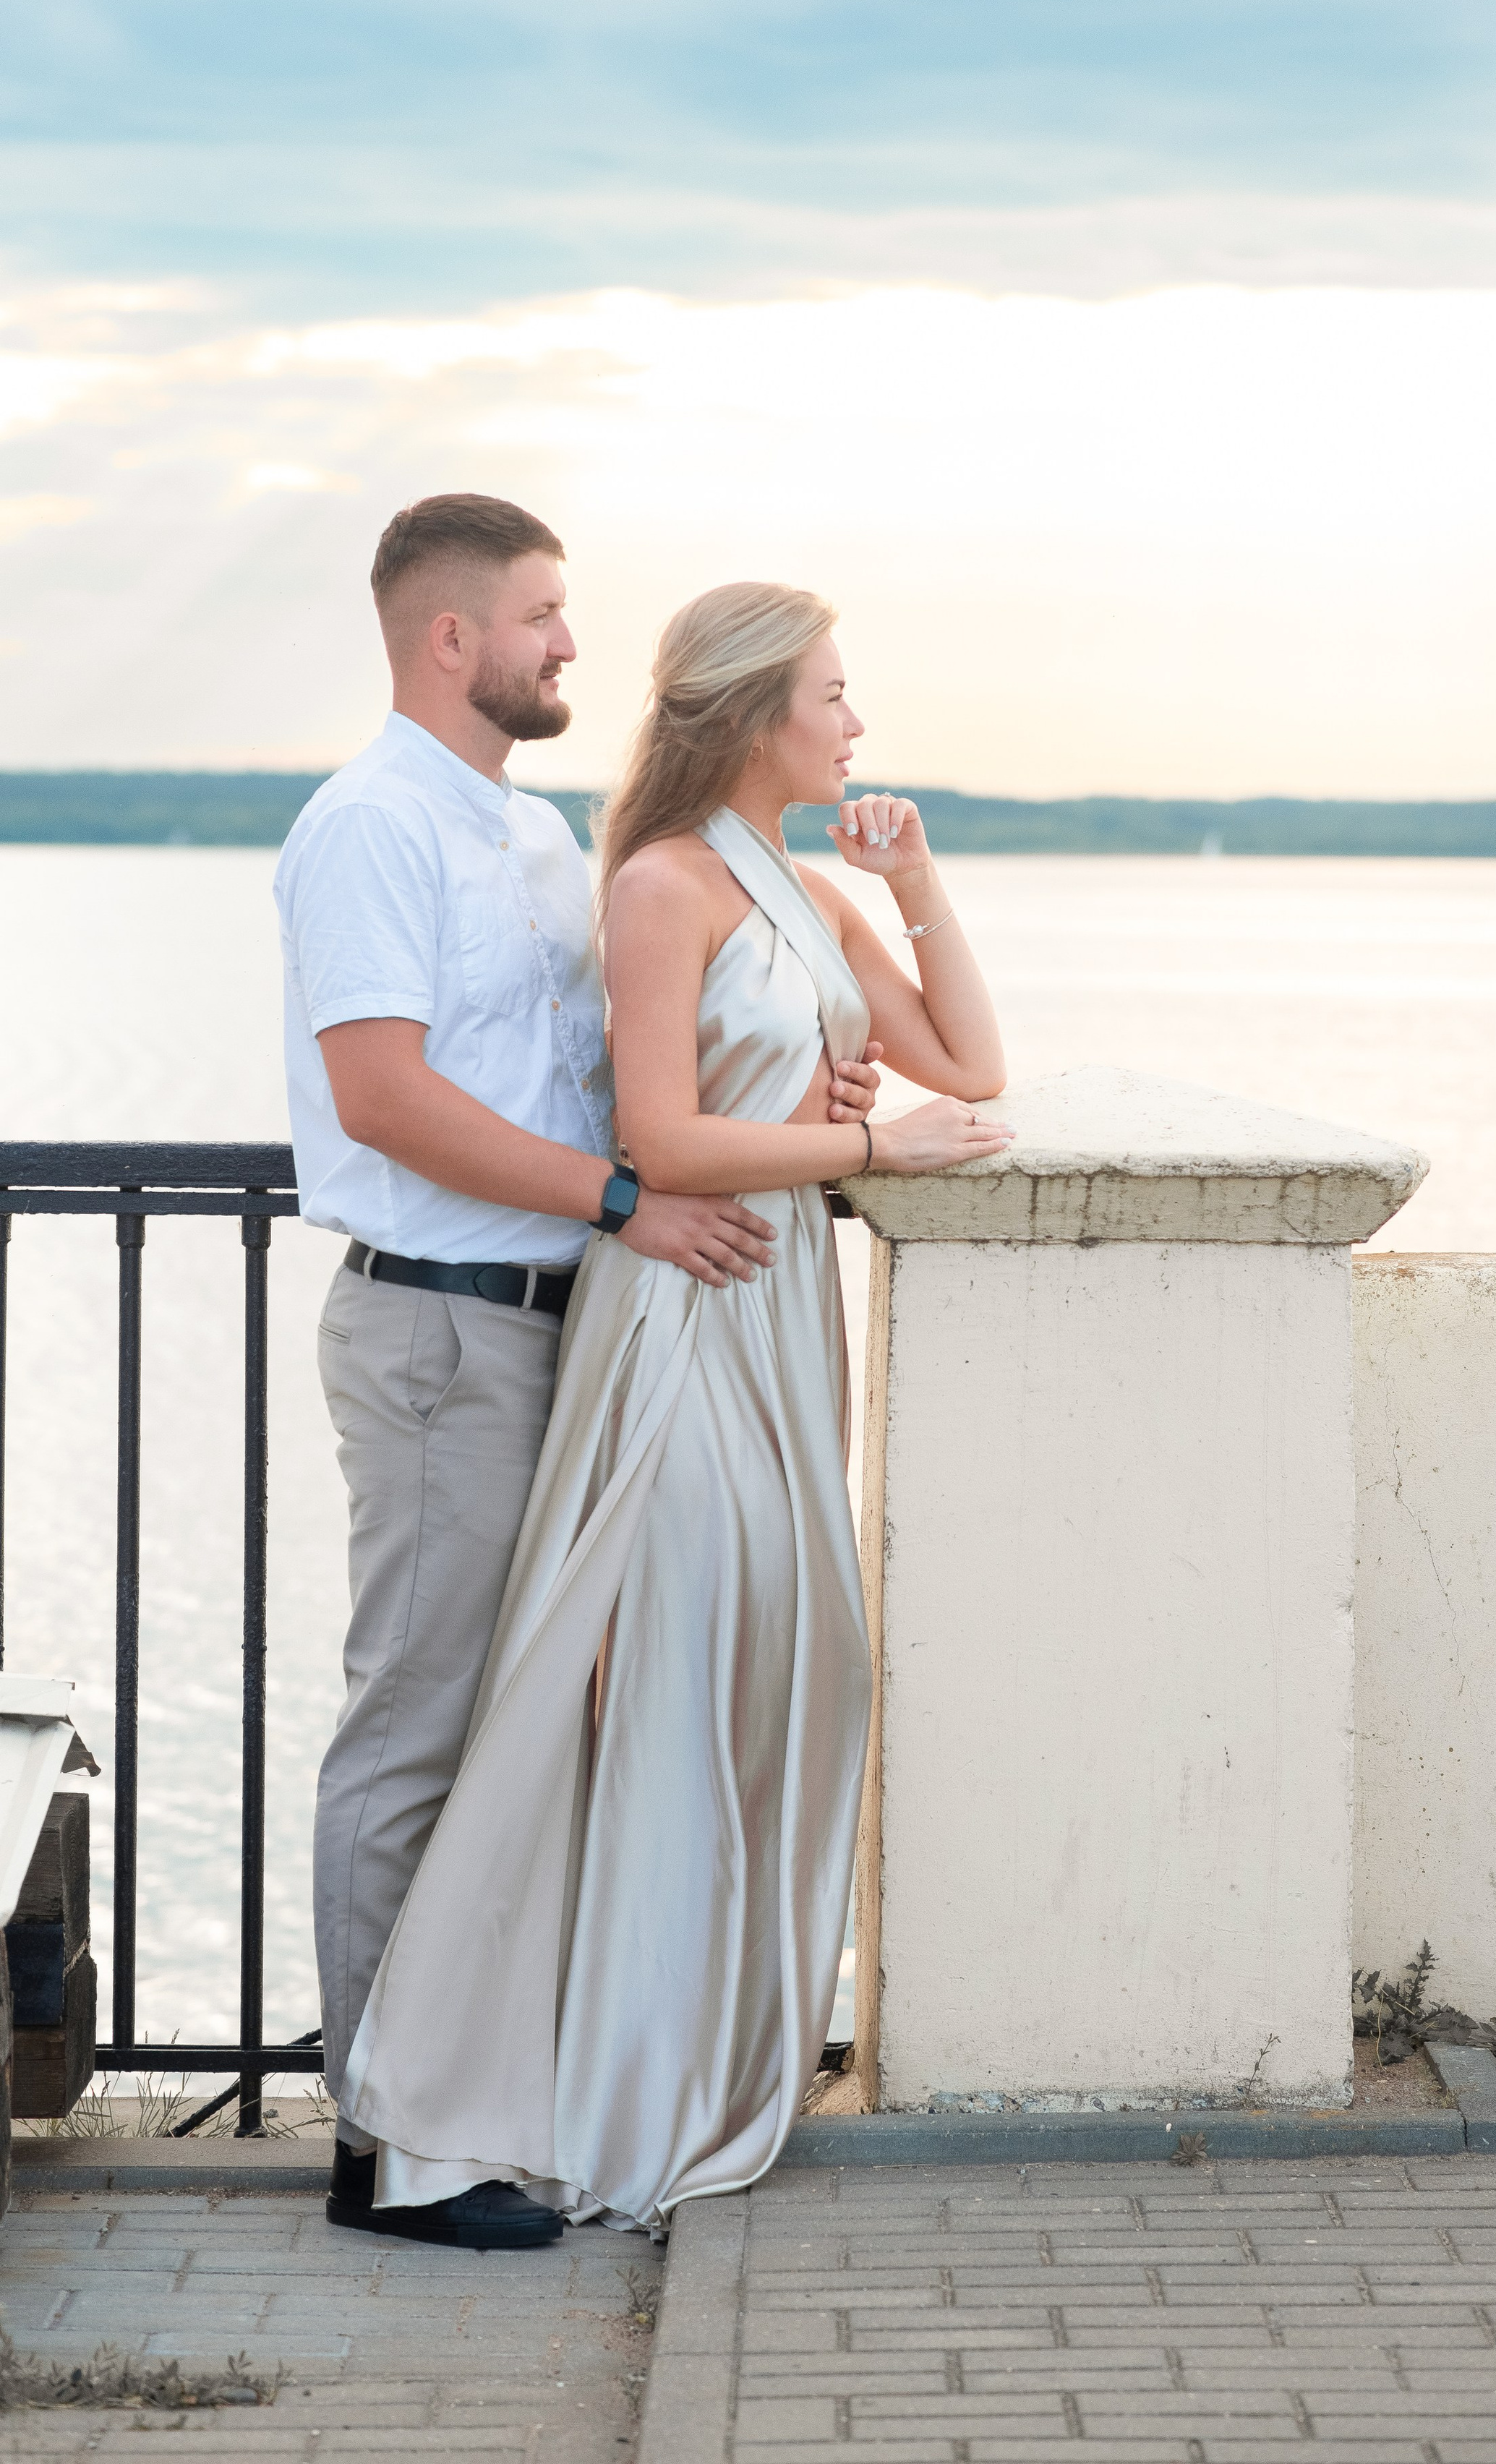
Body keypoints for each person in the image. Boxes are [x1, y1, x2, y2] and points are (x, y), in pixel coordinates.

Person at [338, 580, 1013, 2237]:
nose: (856, 724)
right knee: (659, 1679)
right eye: (834, 695)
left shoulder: (792, 880)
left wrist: (911, 879)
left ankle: (685, 2051)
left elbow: (968, 1066)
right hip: (683, 1312)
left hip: (777, 1314)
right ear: (752, 713)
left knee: (792, 1664)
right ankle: (462, 2104)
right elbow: (656, 1143)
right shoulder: (659, 886)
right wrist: (860, 1147)